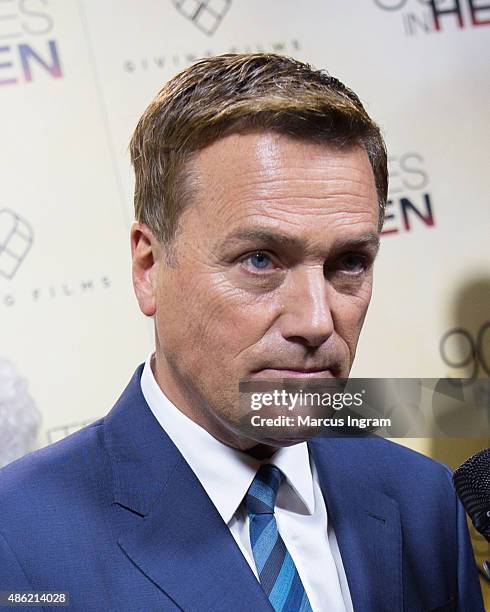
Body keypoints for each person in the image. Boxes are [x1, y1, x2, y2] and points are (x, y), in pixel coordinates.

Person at [0, 53, 483, 612]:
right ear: (150, 268)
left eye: (349, 262)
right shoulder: (18, 539)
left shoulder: (423, 502)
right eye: (260, 260)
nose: (316, 321)